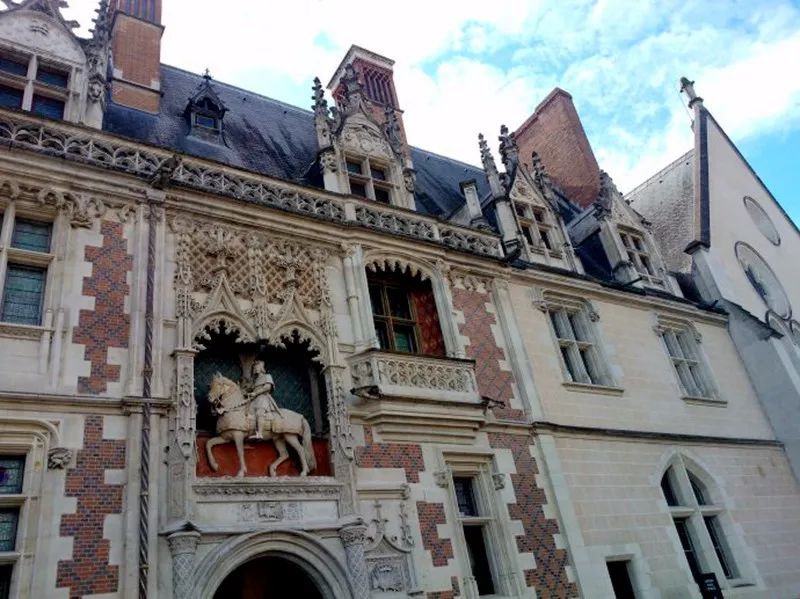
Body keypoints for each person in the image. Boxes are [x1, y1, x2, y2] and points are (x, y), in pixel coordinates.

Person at [248, 360, 280, 439]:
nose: (255, 369)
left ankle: (260, 433)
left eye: (257, 367)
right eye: (254, 367)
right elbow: (252, 389)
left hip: (263, 398)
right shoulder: (255, 380)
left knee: (260, 412)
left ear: (261, 368)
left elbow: (267, 387)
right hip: (254, 399)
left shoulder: (267, 376)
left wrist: (255, 393)